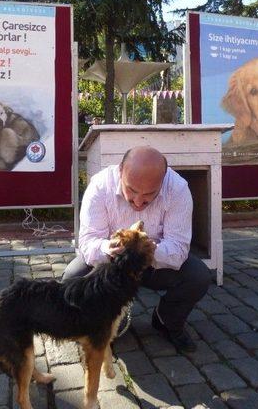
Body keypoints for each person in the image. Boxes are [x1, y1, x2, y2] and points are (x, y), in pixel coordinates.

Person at [63, 146, 211, 353]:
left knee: (198, 276)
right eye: (131, 190)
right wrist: (108, 247)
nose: (139, 202)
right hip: (112, 264)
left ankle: (166, 321)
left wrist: (143, 250)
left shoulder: (177, 188)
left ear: (163, 179)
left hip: (154, 263)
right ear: (120, 170)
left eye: (150, 194)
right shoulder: (100, 185)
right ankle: (101, 324)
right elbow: (88, 243)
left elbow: (177, 250)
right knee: (73, 277)